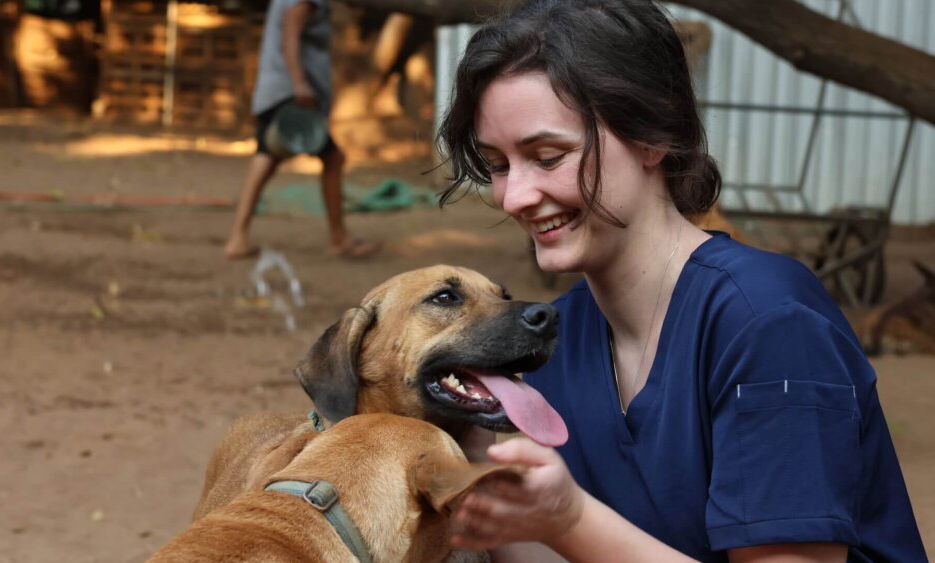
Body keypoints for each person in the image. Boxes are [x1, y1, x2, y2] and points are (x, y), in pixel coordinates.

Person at [436, 0, 927, 561]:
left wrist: (570, 519)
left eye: (548, 156)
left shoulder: (767, 322)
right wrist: (474, 458)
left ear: (652, 134)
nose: (514, 196)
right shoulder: (561, 337)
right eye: (498, 165)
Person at [223, 0, 379, 259]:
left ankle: (238, 237)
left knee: (267, 157)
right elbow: (289, 38)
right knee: (332, 157)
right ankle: (338, 237)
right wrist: (300, 84)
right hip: (288, 94)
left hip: (278, 91)